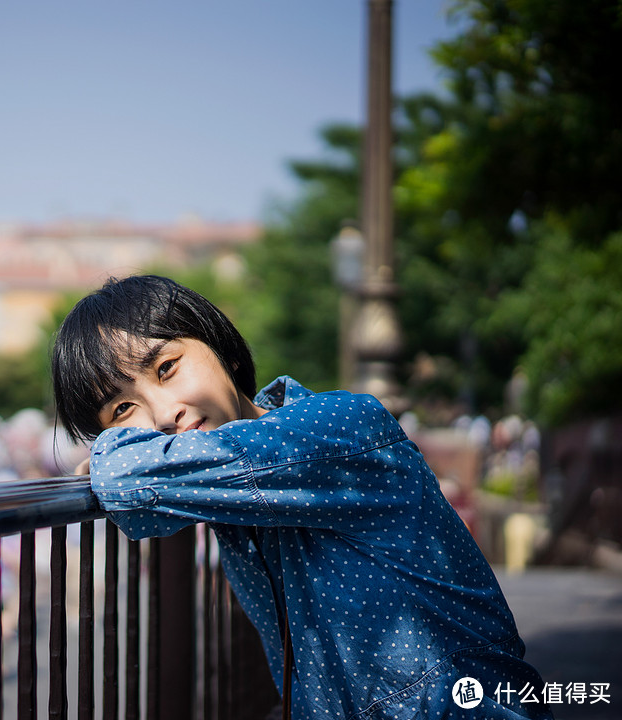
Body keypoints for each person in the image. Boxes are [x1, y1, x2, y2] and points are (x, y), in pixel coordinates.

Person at [51, 275, 552, 719]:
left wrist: (118, 453)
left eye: (166, 368)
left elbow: (126, 484)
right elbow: (144, 510)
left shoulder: (341, 429)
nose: (163, 415)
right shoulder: (221, 484)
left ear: (220, 346)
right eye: (122, 409)